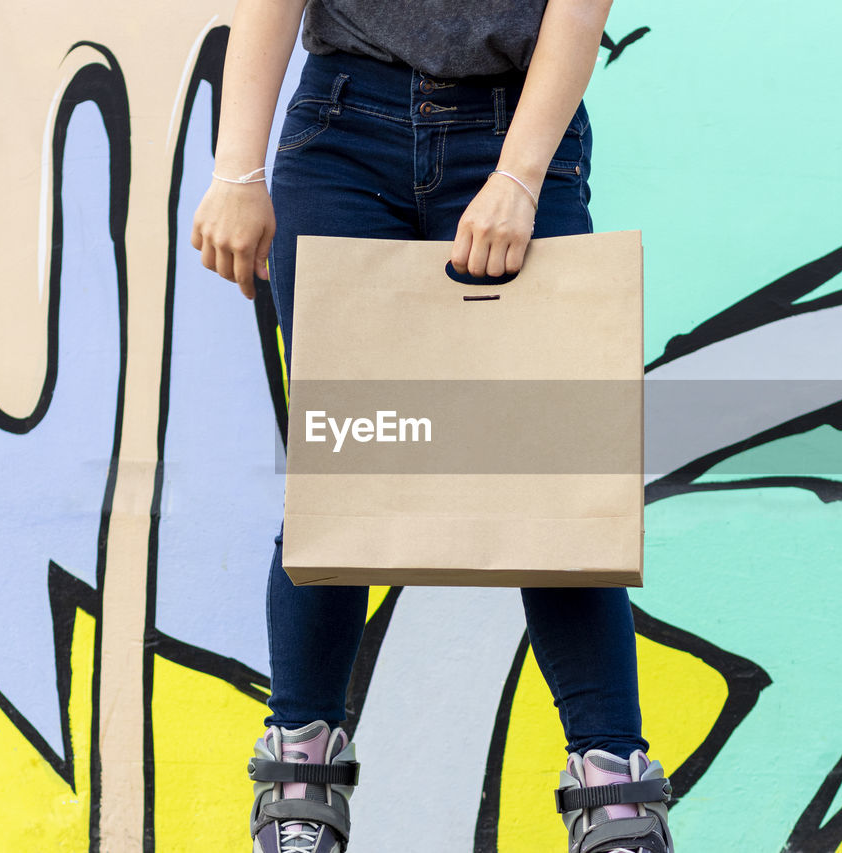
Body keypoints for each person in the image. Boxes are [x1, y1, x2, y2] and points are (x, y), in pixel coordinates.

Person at [191, 2, 673, 851]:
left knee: (555, 484)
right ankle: (300, 778)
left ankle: (614, 792)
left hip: (518, 122)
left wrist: (520, 177)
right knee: (344, 465)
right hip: (344, 125)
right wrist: (237, 171)